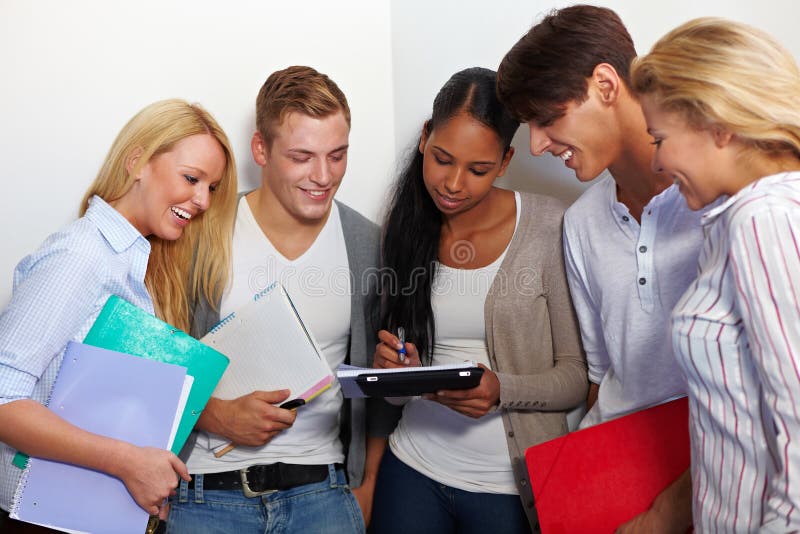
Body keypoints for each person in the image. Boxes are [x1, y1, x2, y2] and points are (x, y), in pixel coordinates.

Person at [496, 5, 701, 531]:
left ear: (606, 85)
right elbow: (599, 376)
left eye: (546, 119)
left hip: (709, 474)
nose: (537, 145)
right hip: (614, 477)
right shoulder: (582, 222)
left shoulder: (714, 195)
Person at [170, 66, 394, 533]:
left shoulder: (365, 244)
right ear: (261, 150)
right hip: (206, 493)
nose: (323, 175)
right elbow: (150, 362)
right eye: (302, 156)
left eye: (337, 155)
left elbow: (376, 392)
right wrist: (218, 416)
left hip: (324, 492)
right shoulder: (202, 232)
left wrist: (366, 487)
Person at [0, 99, 238, 531]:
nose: (203, 200)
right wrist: (129, 462)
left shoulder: (136, 267)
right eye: (192, 178)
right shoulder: (82, 255)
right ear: (137, 162)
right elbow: (2, 400)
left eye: (212, 187)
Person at [369, 67, 587, 534]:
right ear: (425, 138)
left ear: (506, 161)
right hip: (411, 472)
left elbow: (575, 378)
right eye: (443, 159)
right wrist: (390, 372)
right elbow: (395, 386)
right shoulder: (404, 228)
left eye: (478, 169)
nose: (452, 183)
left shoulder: (549, 225)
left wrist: (499, 391)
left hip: (508, 492)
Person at [631, 17, 800, 532]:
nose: (656, 161)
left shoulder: (763, 219)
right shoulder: (747, 215)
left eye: (660, 137)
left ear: (718, 125)